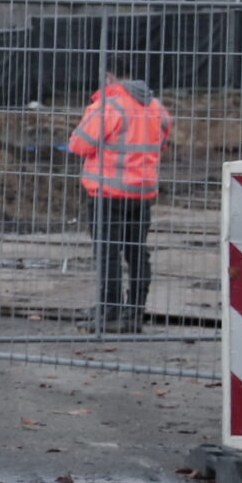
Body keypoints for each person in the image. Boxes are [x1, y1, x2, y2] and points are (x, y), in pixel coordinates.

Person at [68, 70, 173, 334]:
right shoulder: (156, 107)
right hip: (142, 193)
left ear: (111, 76)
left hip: (107, 193)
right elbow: (161, 142)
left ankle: (110, 311)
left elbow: (79, 145)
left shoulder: (108, 106)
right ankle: (135, 313)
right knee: (137, 252)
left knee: (108, 253)